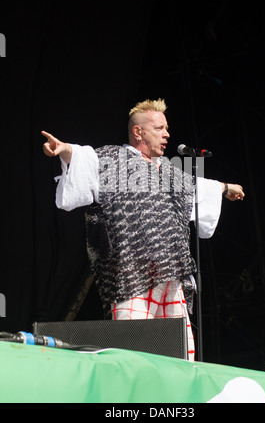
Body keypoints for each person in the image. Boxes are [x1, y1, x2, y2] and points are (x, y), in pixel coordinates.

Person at [42, 98, 245, 361]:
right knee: (133, 354)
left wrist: (225, 188)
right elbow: (84, 158)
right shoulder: (113, 160)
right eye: (160, 128)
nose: (167, 134)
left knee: (179, 355)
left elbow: (197, 187)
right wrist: (65, 149)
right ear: (139, 132)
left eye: (167, 128)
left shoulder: (170, 173)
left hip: (171, 277)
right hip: (130, 277)